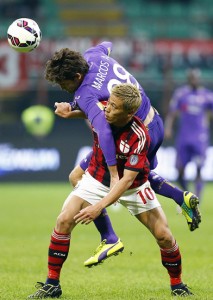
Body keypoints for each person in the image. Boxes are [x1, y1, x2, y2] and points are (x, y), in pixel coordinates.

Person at [28, 84, 193, 298]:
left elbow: (125, 181)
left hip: (131, 185)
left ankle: (177, 285)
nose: (107, 109)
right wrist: (69, 112)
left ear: (130, 113)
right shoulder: (102, 108)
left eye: (114, 107)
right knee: (64, 220)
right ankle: (52, 284)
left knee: (164, 237)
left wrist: (98, 207)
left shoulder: (139, 136)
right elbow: (86, 110)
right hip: (96, 177)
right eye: (109, 103)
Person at [45, 41, 201, 268]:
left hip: (135, 131)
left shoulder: (85, 94)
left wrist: (112, 173)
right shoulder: (94, 55)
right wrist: (74, 111)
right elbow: (107, 44)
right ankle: (179, 197)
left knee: (127, 177)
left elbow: (104, 132)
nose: (62, 86)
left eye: (63, 82)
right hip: (151, 119)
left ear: (77, 76)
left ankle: (109, 238)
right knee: (79, 175)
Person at [164, 69, 213, 202]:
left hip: (199, 138)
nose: (194, 80)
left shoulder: (207, 96)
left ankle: (197, 197)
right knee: (179, 169)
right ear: (188, 79)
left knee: (199, 168)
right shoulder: (181, 94)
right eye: (192, 78)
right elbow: (172, 112)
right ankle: (187, 193)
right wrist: (168, 128)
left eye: (196, 78)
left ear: (199, 79)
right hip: (184, 137)